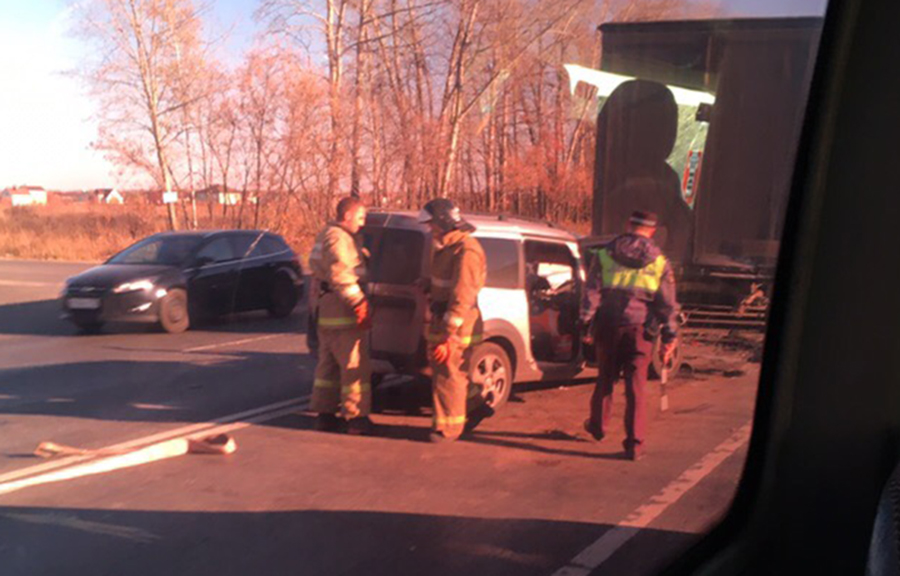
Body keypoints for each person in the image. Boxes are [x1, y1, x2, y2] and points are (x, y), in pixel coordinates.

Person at [580, 210, 679, 460]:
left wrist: (585, 322)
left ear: (628, 225)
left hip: (609, 327)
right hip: (641, 331)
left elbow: (591, 292)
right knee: (636, 387)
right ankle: (634, 444)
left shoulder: (604, 255)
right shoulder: (660, 263)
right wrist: (669, 336)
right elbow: (667, 304)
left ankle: (598, 427)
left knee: (605, 378)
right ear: (653, 231)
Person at [418, 198, 493, 443]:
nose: (430, 228)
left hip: (459, 324)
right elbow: (445, 283)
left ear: (443, 222)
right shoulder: (445, 246)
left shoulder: (467, 251)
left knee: (449, 373)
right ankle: (476, 407)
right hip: (445, 319)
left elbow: (463, 296)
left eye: (432, 224)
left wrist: (449, 336)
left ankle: (448, 429)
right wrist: (427, 285)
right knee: (448, 372)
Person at [308, 196, 373, 435]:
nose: (363, 222)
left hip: (327, 311)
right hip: (343, 311)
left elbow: (319, 267)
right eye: (360, 217)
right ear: (347, 216)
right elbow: (341, 274)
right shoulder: (339, 238)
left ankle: (324, 415)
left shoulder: (327, 233)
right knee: (353, 366)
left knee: (328, 367)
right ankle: (356, 419)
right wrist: (359, 304)